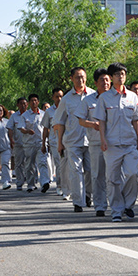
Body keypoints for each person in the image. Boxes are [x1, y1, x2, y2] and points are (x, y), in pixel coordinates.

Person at [94, 62, 138, 222]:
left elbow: (136, 120)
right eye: (117, 74)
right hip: (112, 144)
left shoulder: (132, 97)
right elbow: (101, 121)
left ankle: (128, 205)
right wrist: (103, 140)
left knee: (132, 173)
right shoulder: (104, 98)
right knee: (112, 179)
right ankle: (116, 210)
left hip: (130, 144)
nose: (120, 77)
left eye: (123, 74)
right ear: (111, 77)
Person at [54, 67, 95, 213]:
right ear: (71, 79)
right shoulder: (66, 99)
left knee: (90, 171)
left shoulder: (93, 95)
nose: (81, 80)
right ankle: (78, 202)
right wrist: (59, 143)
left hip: (90, 140)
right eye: (77, 77)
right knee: (76, 171)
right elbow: (59, 122)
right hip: (72, 141)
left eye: (83, 77)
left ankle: (88, 195)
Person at [77, 68, 111, 216]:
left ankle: (117, 204)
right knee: (97, 175)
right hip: (96, 143)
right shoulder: (88, 100)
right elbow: (81, 120)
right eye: (102, 80)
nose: (105, 83)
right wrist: (93, 124)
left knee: (115, 175)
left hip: (114, 143)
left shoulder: (114, 98)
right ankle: (100, 206)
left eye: (107, 79)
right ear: (96, 82)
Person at [41, 88, 65, 195]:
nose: (59, 99)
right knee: (59, 164)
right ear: (53, 98)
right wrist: (43, 144)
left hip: (67, 140)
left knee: (67, 165)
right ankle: (60, 186)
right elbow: (45, 128)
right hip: (54, 142)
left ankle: (67, 186)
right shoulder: (49, 111)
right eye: (57, 96)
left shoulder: (67, 109)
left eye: (61, 96)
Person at [21, 93, 46, 192]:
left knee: (42, 163)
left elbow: (46, 128)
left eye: (35, 100)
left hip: (41, 142)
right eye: (32, 100)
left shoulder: (44, 114)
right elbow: (21, 129)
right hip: (29, 143)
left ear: (38, 102)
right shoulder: (24, 115)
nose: (34, 102)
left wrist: (45, 141)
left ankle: (44, 183)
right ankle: (31, 184)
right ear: (29, 103)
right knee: (30, 165)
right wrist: (27, 131)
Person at [7, 98, 29, 190]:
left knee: (29, 163)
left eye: (24, 103)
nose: (23, 105)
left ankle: (31, 181)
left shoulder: (30, 115)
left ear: (27, 104)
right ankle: (19, 182)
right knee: (18, 163)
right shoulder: (14, 116)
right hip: (18, 143)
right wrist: (11, 139)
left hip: (30, 143)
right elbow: (10, 128)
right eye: (21, 104)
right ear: (17, 105)